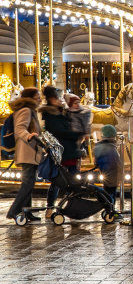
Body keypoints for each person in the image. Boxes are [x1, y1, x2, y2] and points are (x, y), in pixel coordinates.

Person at [40, 85, 83, 218]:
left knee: (74, 180)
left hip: (70, 152)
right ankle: (51, 206)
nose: (60, 100)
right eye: (57, 98)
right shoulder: (51, 115)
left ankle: (74, 205)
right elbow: (60, 132)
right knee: (58, 181)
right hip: (62, 153)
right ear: (51, 99)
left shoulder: (60, 113)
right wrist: (76, 135)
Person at [6, 88, 43, 222]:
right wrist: (29, 136)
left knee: (29, 182)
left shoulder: (30, 110)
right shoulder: (26, 110)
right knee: (28, 183)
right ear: (30, 98)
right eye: (38, 97)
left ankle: (27, 211)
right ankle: (14, 211)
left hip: (30, 150)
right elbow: (19, 129)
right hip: (27, 150)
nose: (40, 99)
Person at [94, 124, 122, 205]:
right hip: (113, 174)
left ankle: (107, 206)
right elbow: (115, 162)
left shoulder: (98, 146)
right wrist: (121, 172)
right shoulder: (111, 147)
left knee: (107, 190)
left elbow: (96, 161)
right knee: (111, 193)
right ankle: (110, 208)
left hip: (104, 172)